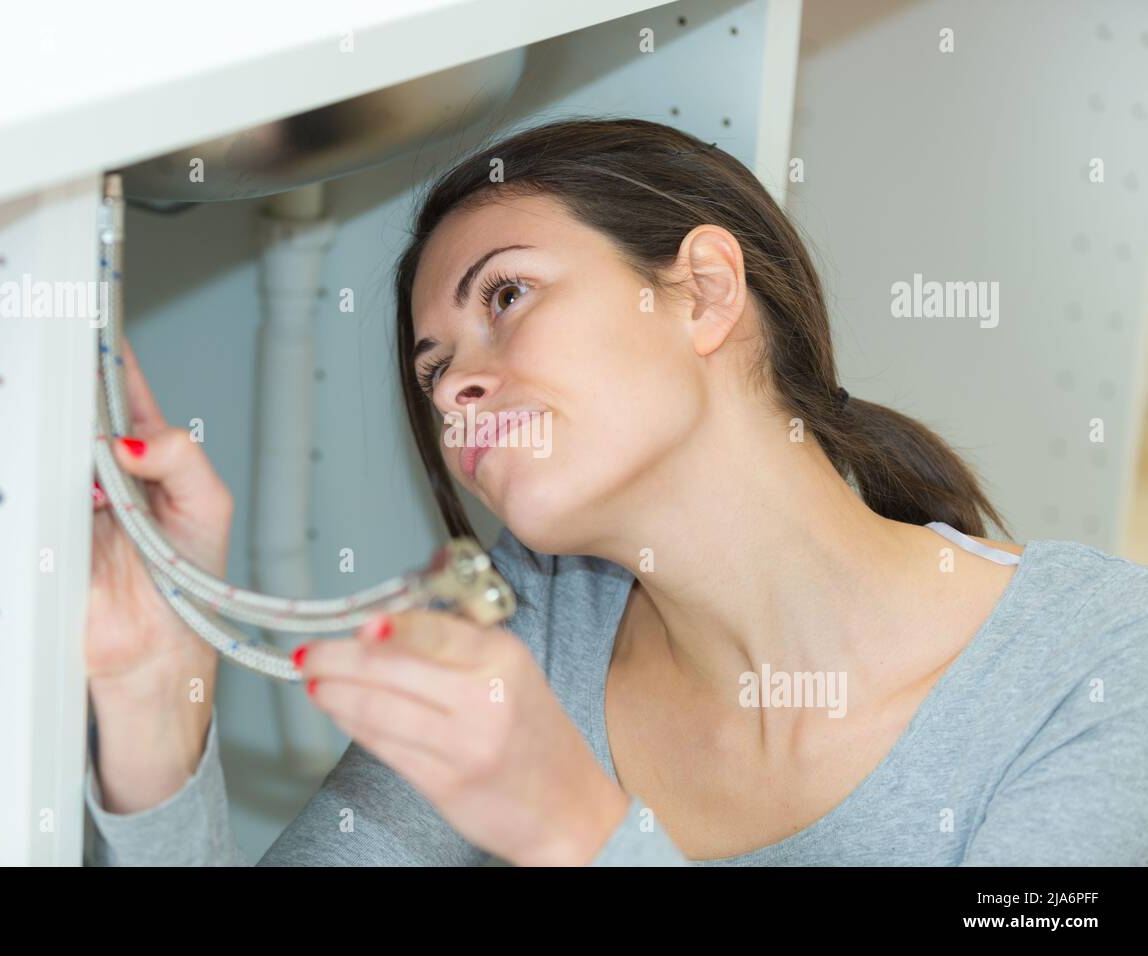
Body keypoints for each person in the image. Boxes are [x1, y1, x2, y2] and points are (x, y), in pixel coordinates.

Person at [85, 117, 1148, 866]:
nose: (451, 388)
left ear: (704, 291)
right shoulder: (537, 626)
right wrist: (151, 701)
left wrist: (573, 827)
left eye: (507, 294)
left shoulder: (1100, 664)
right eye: (430, 366)